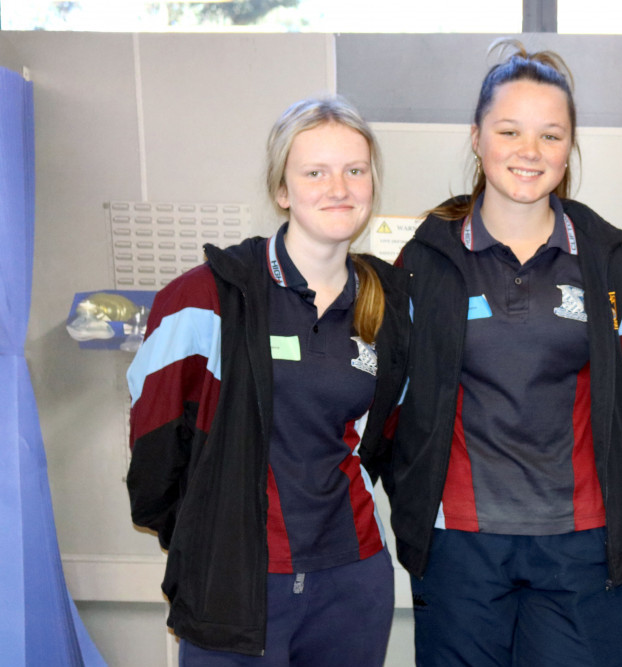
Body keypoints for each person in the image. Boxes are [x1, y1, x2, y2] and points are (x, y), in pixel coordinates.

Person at [373, 40, 622, 667]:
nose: (530, 152)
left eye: (551, 136)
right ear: (476, 137)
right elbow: (392, 403)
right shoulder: (423, 266)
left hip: (581, 549)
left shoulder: (612, 265)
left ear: (569, 149)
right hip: (459, 548)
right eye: (509, 131)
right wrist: (422, 499)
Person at [126, 96, 409, 665]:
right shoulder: (205, 298)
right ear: (282, 190)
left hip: (352, 579)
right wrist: (209, 539)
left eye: (355, 171)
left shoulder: (391, 302)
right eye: (315, 172)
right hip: (235, 582)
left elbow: (395, 437)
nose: (339, 187)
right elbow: (155, 451)